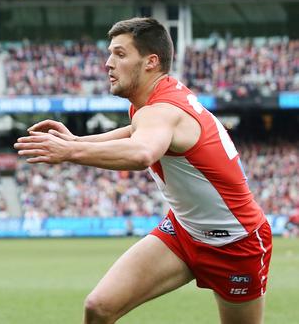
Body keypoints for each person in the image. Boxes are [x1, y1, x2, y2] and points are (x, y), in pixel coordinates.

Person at [14, 17, 272, 324]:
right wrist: (78, 140)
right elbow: (135, 131)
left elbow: (142, 152)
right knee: (99, 307)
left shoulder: (162, 110)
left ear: (151, 61)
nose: (108, 63)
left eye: (120, 54)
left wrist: (71, 151)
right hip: (184, 231)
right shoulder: (153, 100)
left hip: (236, 243)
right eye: (110, 53)